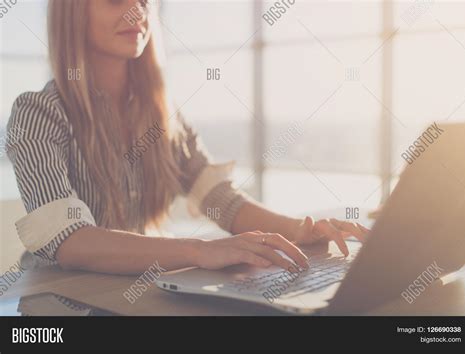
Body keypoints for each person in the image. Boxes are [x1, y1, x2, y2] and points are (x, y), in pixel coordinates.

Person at [6, 0, 369, 275]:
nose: (137, 11)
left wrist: (297, 230)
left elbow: (219, 199)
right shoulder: (38, 114)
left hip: (132, 296)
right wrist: (199, 251)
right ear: (73, 14)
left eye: (145, 1)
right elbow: (69, 238)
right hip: (56, 303)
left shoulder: (162, 116)